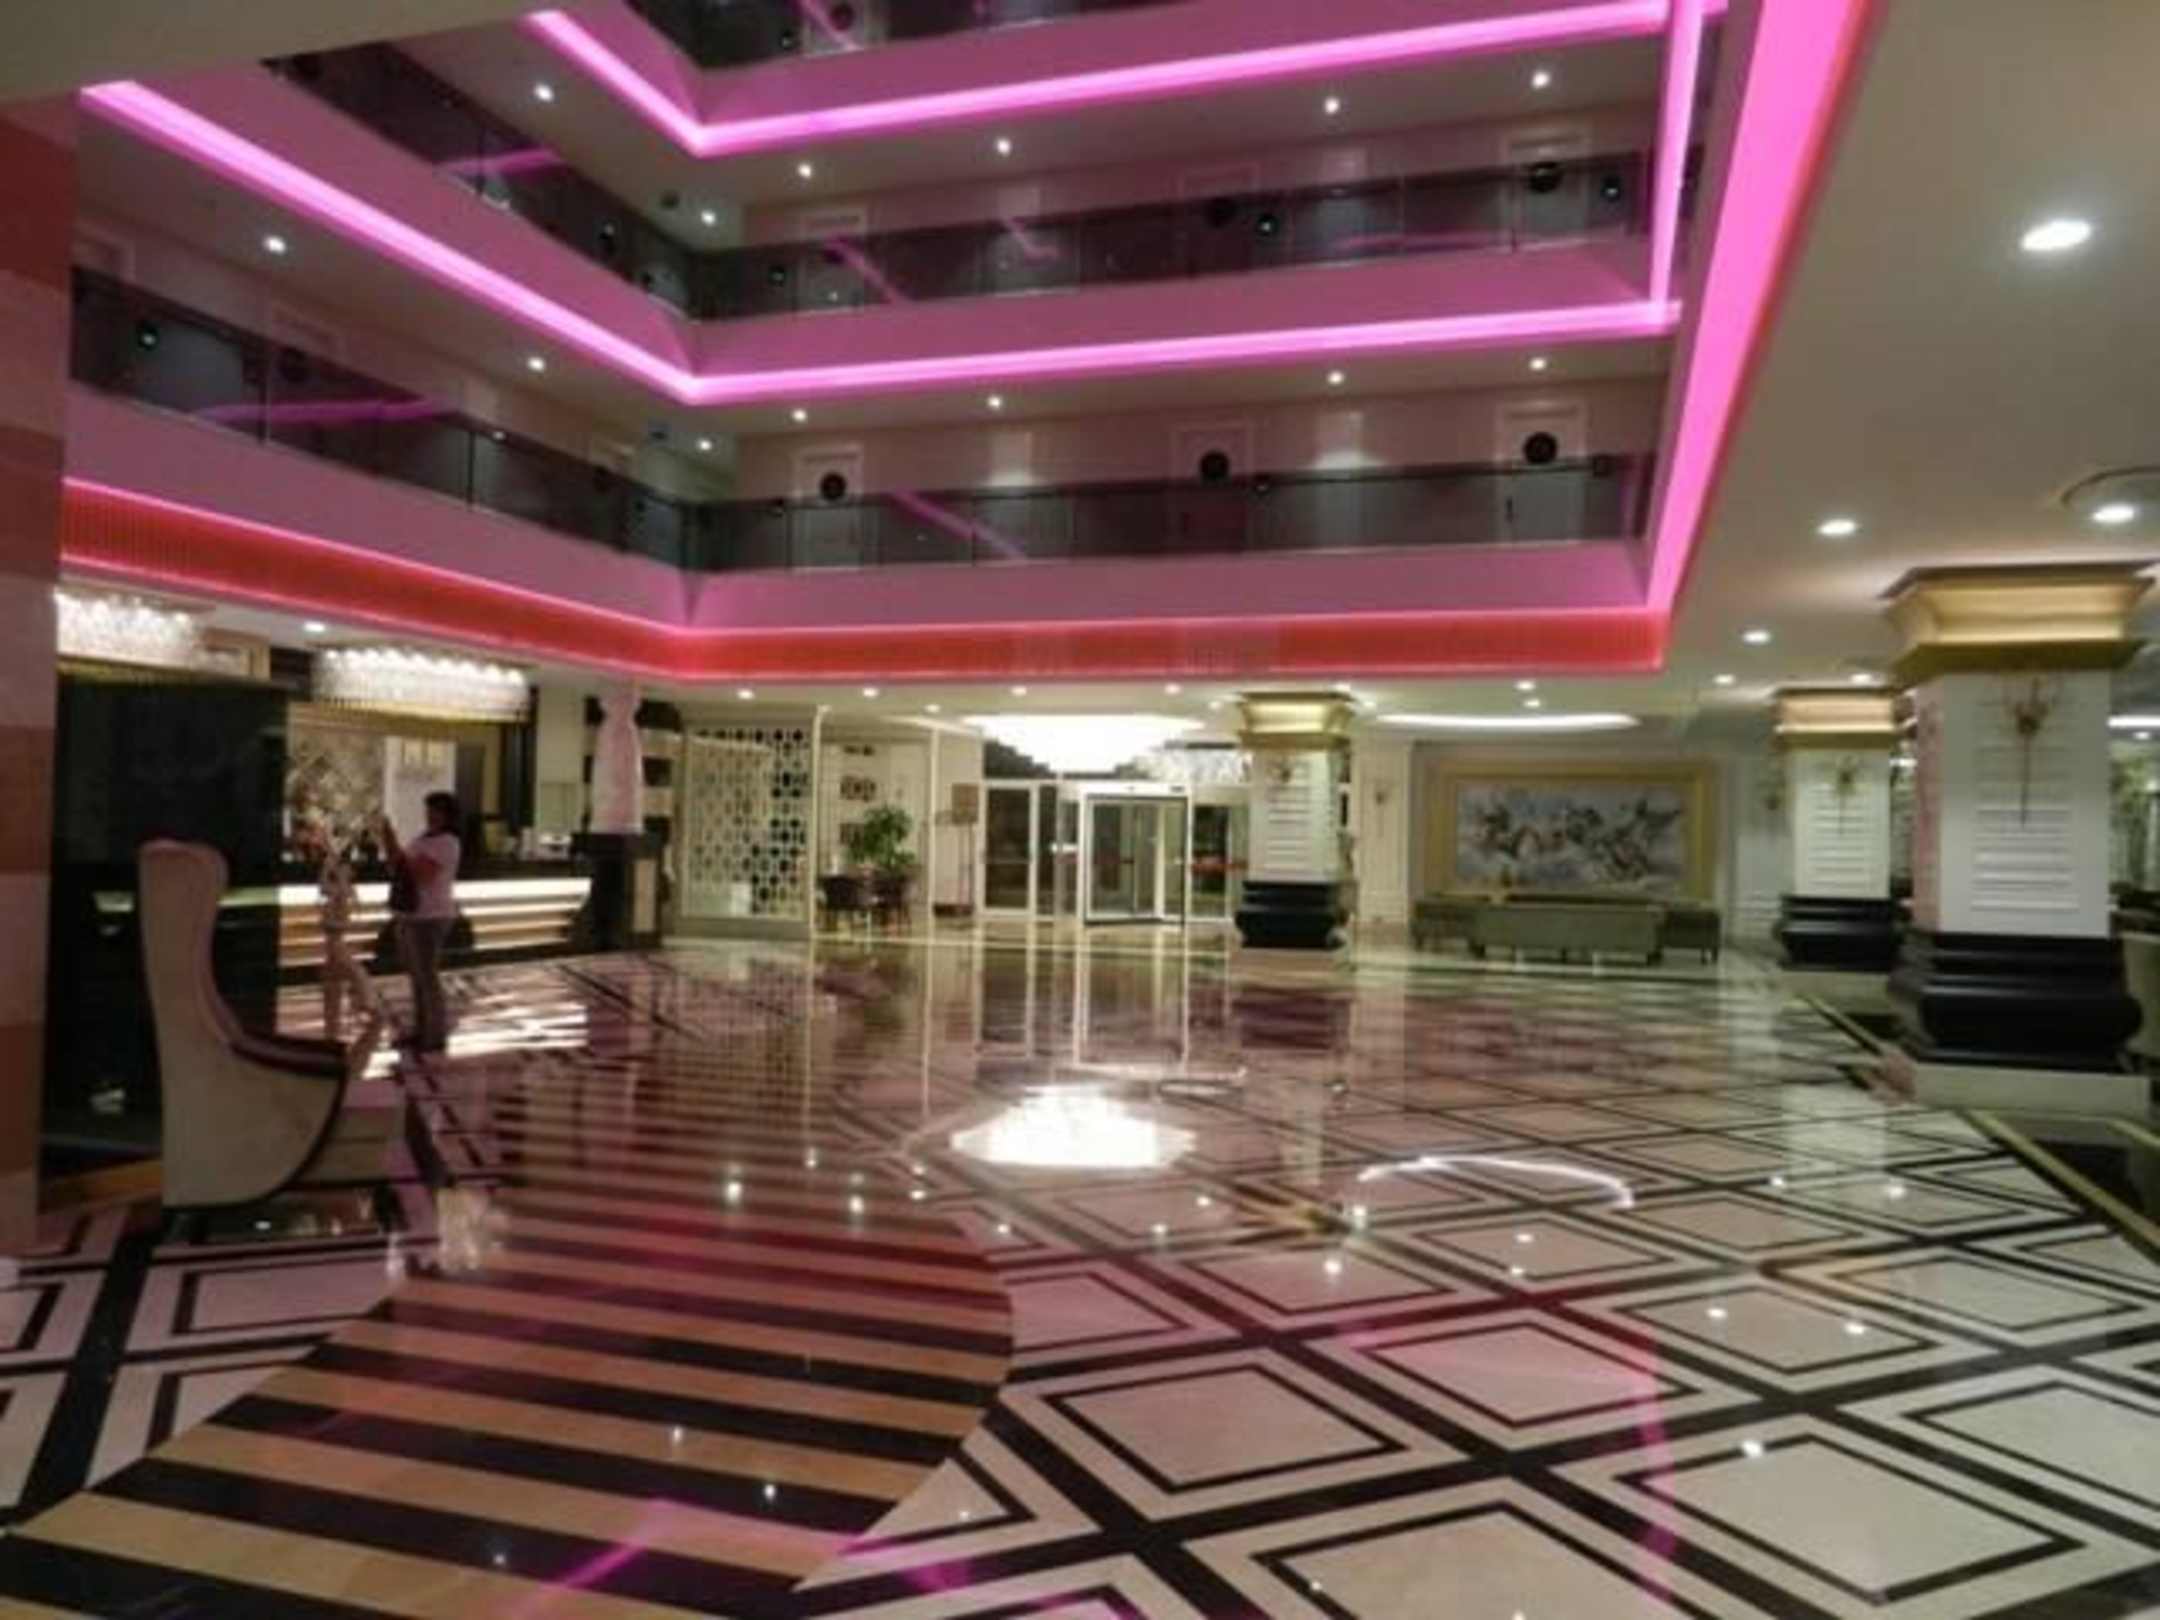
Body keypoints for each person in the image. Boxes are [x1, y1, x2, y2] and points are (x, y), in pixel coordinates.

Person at [380, 792, 461, 1055]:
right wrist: (388, 841)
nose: (430, 815)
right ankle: (422, 1031)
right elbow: (397, 867)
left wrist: (395, 844)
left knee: (427, 977)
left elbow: (421, 875)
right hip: (411, 915)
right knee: (417, 977)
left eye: (436, 810)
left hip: (431, 917)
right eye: (429, 809)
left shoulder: (447, 843)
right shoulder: (423, 838)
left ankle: (434, 1036)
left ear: (448, 815)